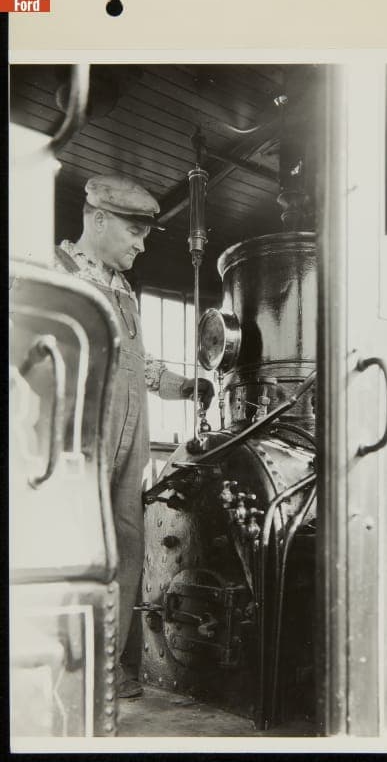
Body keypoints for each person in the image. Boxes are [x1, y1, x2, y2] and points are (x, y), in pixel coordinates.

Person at [54, 174, 214, 698]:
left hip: (131, 443)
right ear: (98, 219)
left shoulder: (124, 291)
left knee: (125, 552)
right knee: (74, 550)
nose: (142, 245)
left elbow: (141, 368)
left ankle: (109, 673)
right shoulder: (54, 273)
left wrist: (185, 385)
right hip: (79, 439)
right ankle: (65, 675)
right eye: (134, 232)